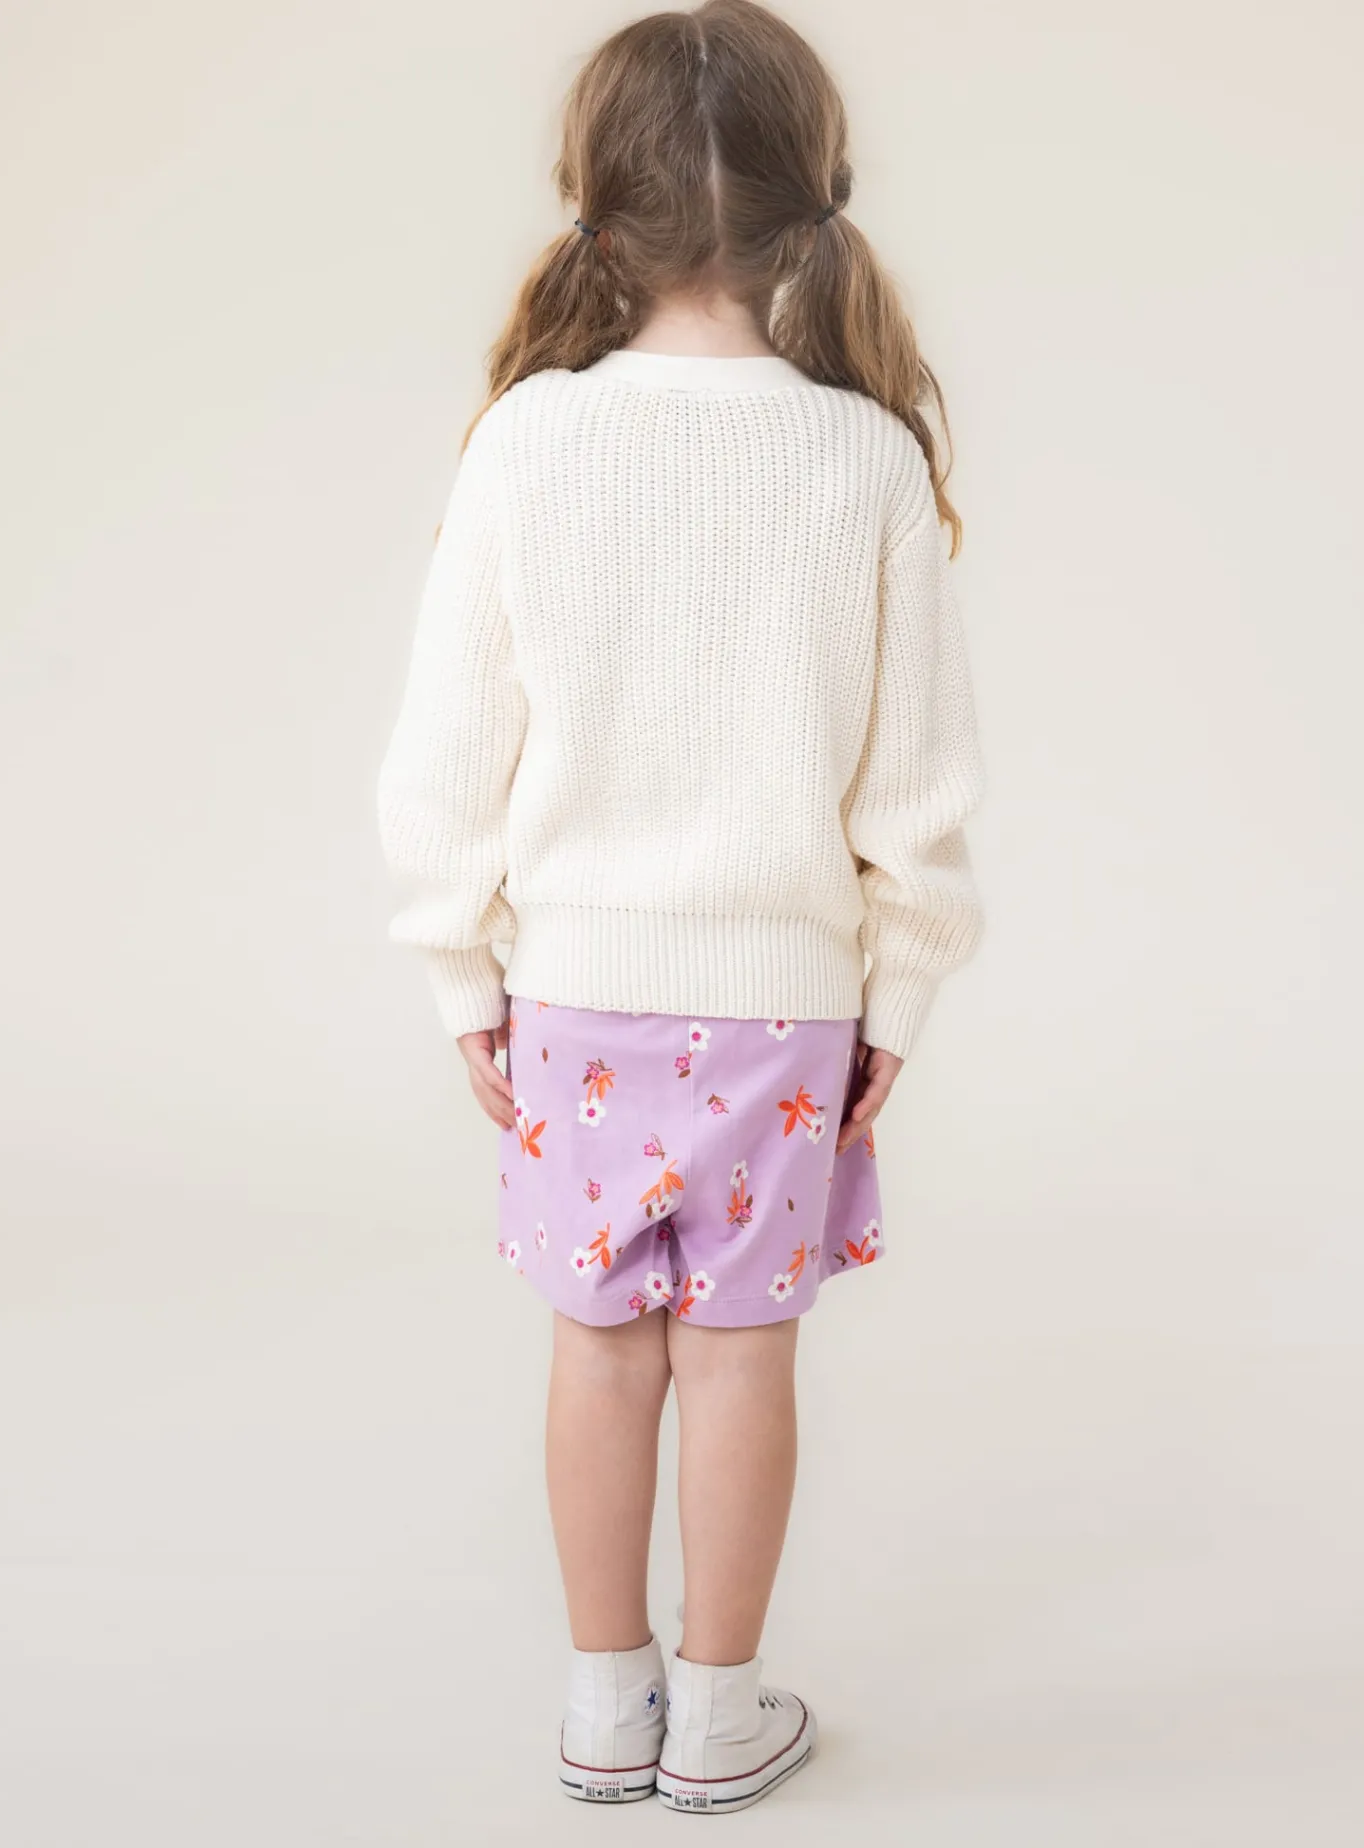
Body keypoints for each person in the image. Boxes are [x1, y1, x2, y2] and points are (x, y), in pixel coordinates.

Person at [375, 0, 984, 1814]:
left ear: (595, 200)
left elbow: (447, 753)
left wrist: (461, 972)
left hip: (574, 994)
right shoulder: (866, 458)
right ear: (812, 195)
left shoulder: (527, 442)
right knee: (737, 1361)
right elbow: (916, 788)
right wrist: (898, 994)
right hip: (789, 1008)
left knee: (596, 1348)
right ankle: (720, 1720)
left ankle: (602, 1710)